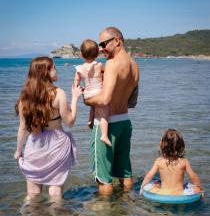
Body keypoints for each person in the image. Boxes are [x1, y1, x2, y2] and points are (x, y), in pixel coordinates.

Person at [14, 56, 82, 201]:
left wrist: (18, 151)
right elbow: (69, 122)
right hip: (57, 145)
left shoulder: (25, 97)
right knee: (55, 193)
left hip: (34, 146)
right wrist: (75, 99)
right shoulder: (59, 94)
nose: (56, 71)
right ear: (45, 72)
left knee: (32, 194)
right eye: (53, 68)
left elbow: (22, 128)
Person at [85, 27, 139, 195]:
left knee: (104, 179)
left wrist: (86, 99)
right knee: (125, 173)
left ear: (117, 41)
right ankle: (126, 207)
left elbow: (105, 99)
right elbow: (133, 101)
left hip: (106, 126)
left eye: (103, 44)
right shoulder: (134, 64)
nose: (101, 49)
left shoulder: (112, 64)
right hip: (124, 122)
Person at [140, 129, 203, 195]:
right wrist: (200, 190)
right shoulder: (184, 162)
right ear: (181, 146)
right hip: (179, 194)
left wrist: (142, 188)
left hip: (163, 193)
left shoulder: (159, 161)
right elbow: (193, 177)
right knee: (196, 189)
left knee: (157, 183)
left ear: (163, 145)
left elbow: (149, 175)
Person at [74, 39, 112, 147]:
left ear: (81, 54)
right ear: (96, 54)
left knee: (93, 105)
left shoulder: (80, 68)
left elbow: (76, 82)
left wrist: (79, 89)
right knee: (105, 114)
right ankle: (104, 135)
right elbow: (107, 73)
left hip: (87, 93)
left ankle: (90, 120)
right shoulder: (99, 65)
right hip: (98, 93)